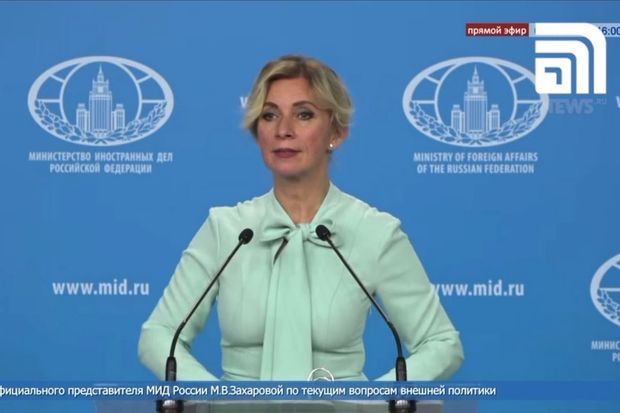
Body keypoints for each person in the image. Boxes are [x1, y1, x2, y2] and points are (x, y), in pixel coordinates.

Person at [138, 55, 463, 381]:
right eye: (270, 115)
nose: (284, 130)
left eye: (304, 114)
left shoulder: (374, 232)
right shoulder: (227, 230)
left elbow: (441, 344)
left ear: (336, 131)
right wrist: (217, 398)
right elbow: (158, 334)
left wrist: (374, 400)